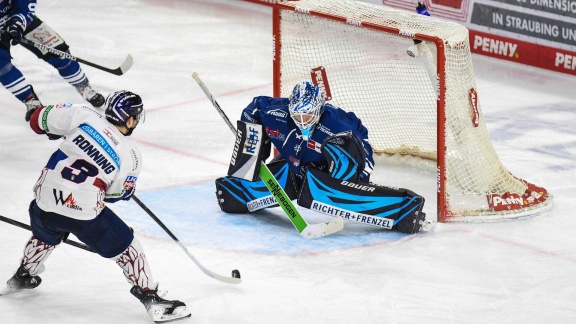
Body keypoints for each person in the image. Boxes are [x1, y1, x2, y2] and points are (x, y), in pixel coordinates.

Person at [2, 91, 191, 323]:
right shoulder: (131, 155)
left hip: (43, 203)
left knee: (45, 233)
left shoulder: (84, 113)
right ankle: (150, 298)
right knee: (130, 249)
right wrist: (125, 190)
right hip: (83, 213)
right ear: (130, 119)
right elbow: (113, 195)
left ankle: (23, 275)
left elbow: (37, 120)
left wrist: (49, 126)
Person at [216, 81, 428, 234]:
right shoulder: (278, 113)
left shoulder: (337, 124)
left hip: (325, 171)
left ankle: (403, 208)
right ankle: (242, 190)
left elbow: (362, 148)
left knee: (318, 190)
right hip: (294, 166)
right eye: (297, 115)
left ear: (318, 110)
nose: (301, 121)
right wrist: (253, 151)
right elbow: (254, 108)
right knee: (233, 195)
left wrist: (357, 181)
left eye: (307, 116)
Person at [0, 0, 105, 122]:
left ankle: (83, 86)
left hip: (19, 17)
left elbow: (27, 4)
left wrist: (18, 22)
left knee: (59, 53)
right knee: (2, 66)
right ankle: (30, 100)